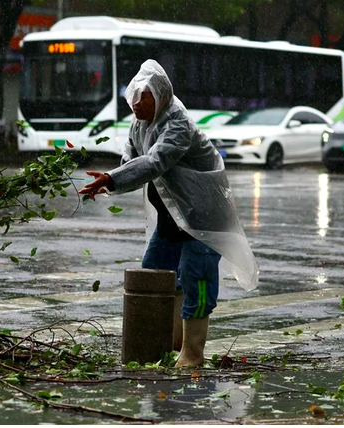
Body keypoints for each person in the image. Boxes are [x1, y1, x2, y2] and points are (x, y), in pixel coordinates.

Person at [78, 59, 258, 368]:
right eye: (133, 97)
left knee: (196, 278)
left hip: (203, 219)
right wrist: (109, 183)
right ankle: (169, 344)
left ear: (159, 94)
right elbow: (131, 162)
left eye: (143, 97)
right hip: (171, 219)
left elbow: (154, 163)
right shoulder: (139, 125)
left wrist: (112, 178)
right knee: (154, 275)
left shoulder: (178, 123)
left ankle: (192, 354)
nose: (135, 104)